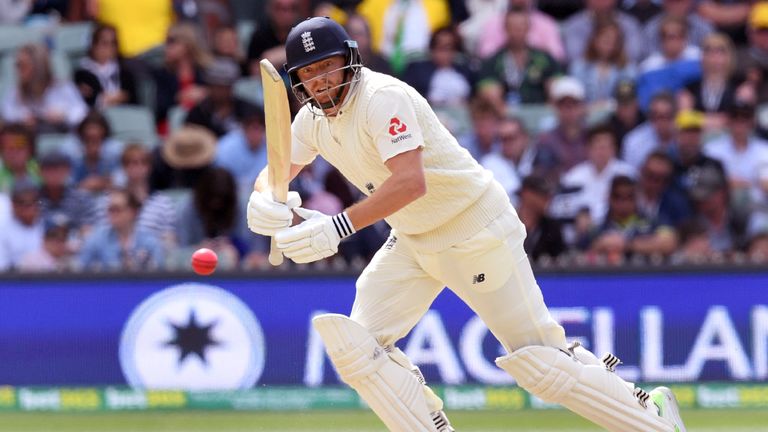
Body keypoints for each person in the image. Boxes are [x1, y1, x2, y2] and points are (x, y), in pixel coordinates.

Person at [245, 16, 686, 432]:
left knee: (540, 363)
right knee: (359, 349)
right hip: (413, 240)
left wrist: (336, 228)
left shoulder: (382, 98)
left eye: (328, 66)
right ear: (297, 81)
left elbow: (409, 183)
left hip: (473, 230)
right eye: (310, 72)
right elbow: (279, 170)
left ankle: (653, 416)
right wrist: (263, 196)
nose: (321, 79)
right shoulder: (310, 121)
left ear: (349, 60)